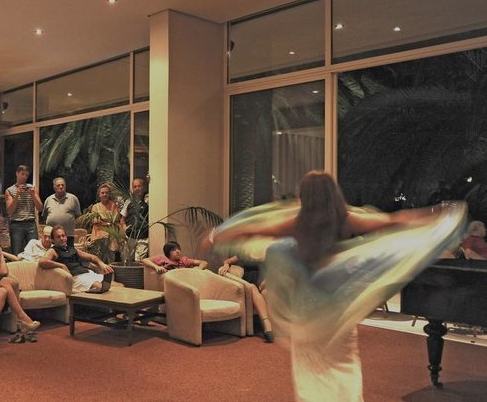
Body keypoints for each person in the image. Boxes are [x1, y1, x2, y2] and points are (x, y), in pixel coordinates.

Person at [205, 171, 466, 402]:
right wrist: (432, 217)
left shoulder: (297, 222)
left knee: (311, 366)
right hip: (336, 304)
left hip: (308, 308)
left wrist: (215, 236)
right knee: (343, 361)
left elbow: (252, 230)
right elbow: (391, 221)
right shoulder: (344, 219)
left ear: (306, 196)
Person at [39, 226, 114, 293]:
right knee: (100, 287)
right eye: (58, 237)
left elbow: (92, 257)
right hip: (75, 278)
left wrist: (102, 264)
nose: (62, 238)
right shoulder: (53, 251)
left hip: (87, 273)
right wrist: (61, 266)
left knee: (114, 285)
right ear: (53, 240)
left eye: (63, 236)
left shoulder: (71, 249)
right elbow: (42, 261)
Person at [218, 255, 273, 342]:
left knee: (265, 292)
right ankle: (267, 325)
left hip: (264, 279)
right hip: (249, 279)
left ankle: (274, 326)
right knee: (252, 288)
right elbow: (227, 261)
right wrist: (226, 265)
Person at [6, 165, 43, 254]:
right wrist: (17, 194)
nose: (24, 177)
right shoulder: (10, 190)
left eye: (26, 175)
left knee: (34, 251)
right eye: (22, 174)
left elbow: (40, 208)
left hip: (31, 223)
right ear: (17, 174)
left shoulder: (32, 188)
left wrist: (33, 195)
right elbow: (9, 211)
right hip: (16, 224)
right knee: (16, 251)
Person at [42, 177, 81, 246]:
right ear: (54, 187)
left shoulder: (73, 199)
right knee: (52, 252)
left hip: (68, 235)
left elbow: (78, 216)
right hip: (51, 236)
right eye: (58, 185)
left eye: (62, 185)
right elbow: (45, 216)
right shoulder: (48, 199)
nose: (61, 187)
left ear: (65, 186)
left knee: (69, 252)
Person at [120, 177, 149, 261]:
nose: (137, 188)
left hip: (143, 236)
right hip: (129, 236)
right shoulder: (128, 201)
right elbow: (122, 220)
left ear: (144, 187)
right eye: (135, 187)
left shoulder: (148, 200)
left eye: (139, 186)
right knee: (127, 260)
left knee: (139, 261)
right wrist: (124, 232)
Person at [90, 183, 122, 258]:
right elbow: (95, 221)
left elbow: (115, 220)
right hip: (99, 236)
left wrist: (103, 222)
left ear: (109, 194)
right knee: (99, 258)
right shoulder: (95, 207)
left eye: (106, 193)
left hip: (111, 236)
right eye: (102, 193)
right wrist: (108, 223)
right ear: (99, 195)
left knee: (111, 259)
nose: (105, 194)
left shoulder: (114, 205)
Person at [142, 241, 208, 272]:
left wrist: (199, 268)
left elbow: (204, 262)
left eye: (178, 249)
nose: (178, 251)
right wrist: (156, 267)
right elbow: (144, 260)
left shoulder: (184, 260)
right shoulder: (162, 258)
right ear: (168, 252)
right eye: (174, 250)